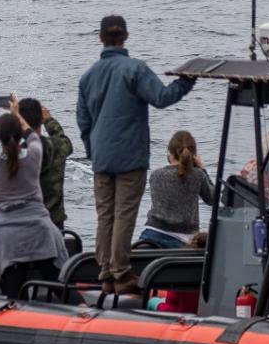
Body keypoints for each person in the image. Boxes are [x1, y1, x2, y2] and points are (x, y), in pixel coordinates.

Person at [77, 15, 194, 295]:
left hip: (102, 158)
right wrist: (187, 81)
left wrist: (94, 152)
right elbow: (162, 98)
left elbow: (83, 122)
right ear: (126, 37)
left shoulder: (88, 76)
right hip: (130, 157)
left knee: (105, 215)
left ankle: (105, 271)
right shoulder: (135, 70)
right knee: (124, 215)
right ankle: (120, 271)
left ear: (100, 38)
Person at [0, 93, 68, 300]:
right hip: (41, 230)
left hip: (7, 237)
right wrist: (17, 114)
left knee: (13, 294)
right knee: (61, 285)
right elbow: (33, 136)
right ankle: (84, 313)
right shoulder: (34, 156)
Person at [139, 130, 214, 249]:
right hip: (184, 240)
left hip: (151, 235)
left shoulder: (155, 175)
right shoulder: (197, 175)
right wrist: (201, 169)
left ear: (169, 153)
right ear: (193, 156)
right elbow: (213, 199)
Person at [16, 97, 74, 229]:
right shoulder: (57, 147)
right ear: (40, 120)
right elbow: (66, 142)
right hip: (54, 223)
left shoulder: (17, 155)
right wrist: (49, 120)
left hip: (24, 223)